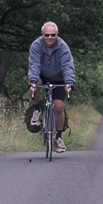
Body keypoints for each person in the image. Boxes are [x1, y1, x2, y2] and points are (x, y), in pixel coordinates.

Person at [28, 21, 76, 153]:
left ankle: (59, 137)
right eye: (47, 35)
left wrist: (69, 83)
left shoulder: (63, 47)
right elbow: (34, 65)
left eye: (53, 35)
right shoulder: (36, 45)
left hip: (58, 77)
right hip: (42, 75)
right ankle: (37, 110)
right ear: (42, 34)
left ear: (57, 35)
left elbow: (67, 66)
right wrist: (33, 82)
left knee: (58, 107)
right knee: (34, 84)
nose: (50, 38)